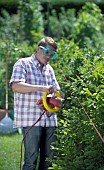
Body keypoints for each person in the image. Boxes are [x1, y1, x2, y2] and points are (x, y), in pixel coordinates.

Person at [9, 37, 60, 170]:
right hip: (31, 120)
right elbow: (16, 86)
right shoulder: (23, 63)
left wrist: (52, 100)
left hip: (49, 121)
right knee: (31, 160)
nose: (49, 57)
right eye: (47, 52)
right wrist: (41, 88)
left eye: (52, 55)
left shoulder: (50, 69)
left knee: (48, 161)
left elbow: (56, 91)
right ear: (39, 48)